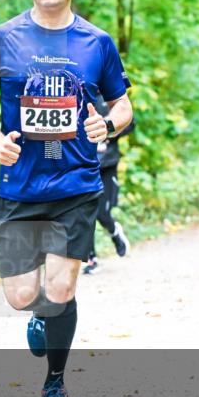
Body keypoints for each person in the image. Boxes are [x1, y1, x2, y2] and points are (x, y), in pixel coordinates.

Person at [0, 0, 133, 397]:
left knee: (61, 292)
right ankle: (39, 316)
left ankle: (54, 387)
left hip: (76, 185)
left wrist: (109, 122)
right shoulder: (5, 38)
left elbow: (122, 103)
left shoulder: (96, 43)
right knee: (22, 298)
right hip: (20, 186)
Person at [82, 94, 134, 275]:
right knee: (85, 211)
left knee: (101, 212)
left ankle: (114, 232)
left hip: (107, 163)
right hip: (83, 164)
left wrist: (107, 132)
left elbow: (129, 124)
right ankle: (91, 259)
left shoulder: (110, 94)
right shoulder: (75, 92)